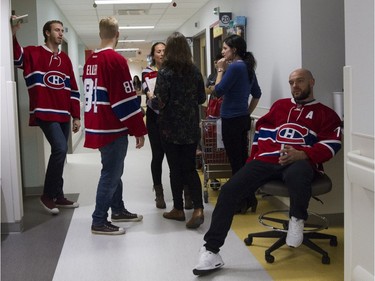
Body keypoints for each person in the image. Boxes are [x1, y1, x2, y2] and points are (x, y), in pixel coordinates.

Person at [193, 68, 342, 275]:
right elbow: (261, 132)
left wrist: (304, 154)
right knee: (229, 191)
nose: (295, 86)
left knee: (298, 174)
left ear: (312, 82)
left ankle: (297, 220)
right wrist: (255, 159)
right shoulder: (280, 106)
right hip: (266, 161)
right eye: (291, 82)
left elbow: (333, 143)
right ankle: (211, 251)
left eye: (300, 81)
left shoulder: (326, 114)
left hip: (299, 162)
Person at [83, 16, 147, 235]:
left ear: (100, 34)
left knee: (113, 171)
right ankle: (99, 220)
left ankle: (117, 209)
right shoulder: (115, 60)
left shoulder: (91, 59)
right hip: (111, 127)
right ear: (117, 35)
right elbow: (124, 100)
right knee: (111, 173)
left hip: (97, 124)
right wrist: (138, 129)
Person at [12, 18, 81, 215]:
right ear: (47, 33)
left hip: (63, 114)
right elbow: (17, 58)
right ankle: (47, 195)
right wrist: (13, 33)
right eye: (57, 30)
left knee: (60, 152)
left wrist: (76, 116)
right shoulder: (34, 52)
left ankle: (58, 195)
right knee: (59, 149)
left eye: (61, 30)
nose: (60, 33)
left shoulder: (65, 59)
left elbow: (73, 90)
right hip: (44, 111)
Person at [151, 32, 206, 228]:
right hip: (190, 128)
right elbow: (201, 99)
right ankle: (198, 208)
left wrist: (153, 100)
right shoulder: (194, 71)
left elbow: (160, 100)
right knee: (190, 168)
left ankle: (178, 209)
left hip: (170, 129)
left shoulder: (165, 72)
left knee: (175, 170)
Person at [214, 34, 262, 213]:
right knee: (242, 160)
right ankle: (249, 198)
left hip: (231, 120)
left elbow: (218, 91)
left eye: (225, 48)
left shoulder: (234, 67)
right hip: (242, 119)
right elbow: (257, 94)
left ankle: (241, 201)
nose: (222, 52)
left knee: (236, 163)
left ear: (234, 50)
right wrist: (247, 113)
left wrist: (220, 70)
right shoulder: (248, 67)